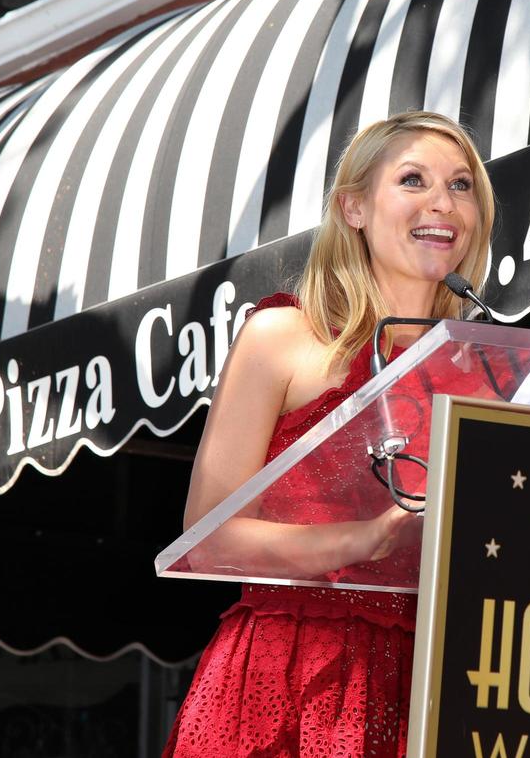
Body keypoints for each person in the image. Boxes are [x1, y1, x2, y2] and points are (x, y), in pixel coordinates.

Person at [163, 111, 497, 758]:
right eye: (412, 179)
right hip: (288, 672)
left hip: (432, 685)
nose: (443, 203)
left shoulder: (482, 367)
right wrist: (370, 540)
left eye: (462, 186)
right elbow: (206, 532)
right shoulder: (282, 338)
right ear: (354, 209)